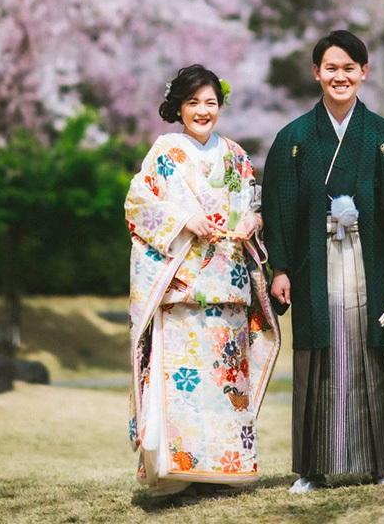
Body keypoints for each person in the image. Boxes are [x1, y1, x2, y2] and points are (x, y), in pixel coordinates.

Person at [262, 30, 384, 492]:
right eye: (331, 68)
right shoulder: (295, 139)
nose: (340, 76)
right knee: (318, 359)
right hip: (314, 264)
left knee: (377, 354)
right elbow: (279, 206)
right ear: (316, 73)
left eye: (350, 68)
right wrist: (280, 268)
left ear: (364, 72)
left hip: (376, 264)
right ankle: (313, 468)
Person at [125, 64, 280, 497]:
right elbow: (138, 204)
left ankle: (225, 470)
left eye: (210, 102)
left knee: (225, 383)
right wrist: (184, 219)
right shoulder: (164, 152)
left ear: (220, 106)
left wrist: (253, 218)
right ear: (178, 107)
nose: (202, 111)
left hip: (228, 286)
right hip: (182, 289)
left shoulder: (235, 154)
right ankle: (180, 474)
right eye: (193, 103)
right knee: (184, 388)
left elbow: (254, 199)